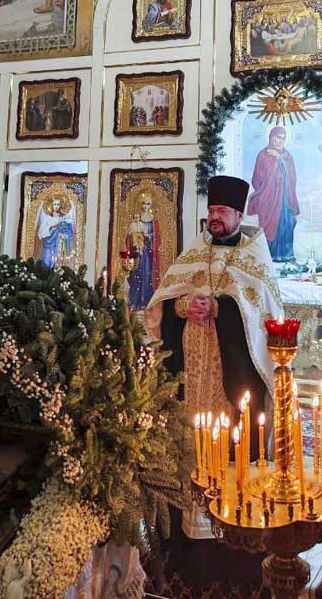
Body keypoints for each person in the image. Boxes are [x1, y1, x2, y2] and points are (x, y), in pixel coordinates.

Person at [145, 175, 282, 590]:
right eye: (211, 211)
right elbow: (164, 303)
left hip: (231, 385)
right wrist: (186, 305)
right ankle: (187, 550)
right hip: (191, 383)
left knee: (232, 460)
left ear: (239, 214)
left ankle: (235, 551)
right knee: (189, 457)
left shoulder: (255, 257)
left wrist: (221, 309)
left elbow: (263, 313)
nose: (214, 217)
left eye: (222, 211)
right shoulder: (194, 251)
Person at [248, 126, 300, 261]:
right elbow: (257, 178)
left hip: (285, 199)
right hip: (269, 199)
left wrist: (280, 159)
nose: (280, 141)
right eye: (278, 137)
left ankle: (286, 255)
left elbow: (292, 178)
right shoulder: (263, 155)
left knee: (286, 224)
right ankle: (268, 256)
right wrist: (275, 164)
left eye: (283, 138)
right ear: (271, 138)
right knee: (269, 226)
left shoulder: (288, 157)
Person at [125, 194, 162, 311]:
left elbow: (157, 237)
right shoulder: (137, 219)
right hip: (137, 250)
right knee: (136, 273)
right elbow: (129, 236)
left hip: (148, 251)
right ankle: (135, 302)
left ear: (150, 206)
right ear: (141, 204)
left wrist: (148, 238)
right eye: (144, 203)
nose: (145, 206)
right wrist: (134, 239)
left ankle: (146, 301)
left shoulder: (154, 220)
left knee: (147, 274)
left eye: (148, 204)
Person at [34, 195, 75, 269]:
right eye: (54, 204)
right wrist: (52, 227)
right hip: (48, 247)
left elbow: (69, 233)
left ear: (61, 205)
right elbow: (41, 234)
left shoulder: (64, 219)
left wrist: (63, 236)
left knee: (58, 267)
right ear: (51, 205)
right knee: (46, 265)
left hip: (59, 247)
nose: (56, 206)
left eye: (58, 204)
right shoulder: (47, 218)